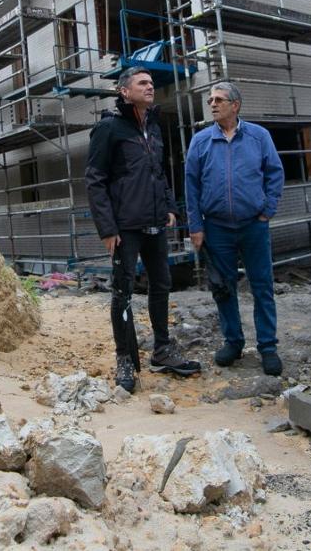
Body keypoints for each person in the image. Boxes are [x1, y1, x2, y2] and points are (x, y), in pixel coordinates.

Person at [85, 67, 201, 393]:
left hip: (155, 223)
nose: (150, 86)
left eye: (151, 83)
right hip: (125, 228)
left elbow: (158, 172)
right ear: (125, 91)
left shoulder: (153, 126)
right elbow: (95, 180)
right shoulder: (109, 128)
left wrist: (169, 207)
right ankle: (125, 357)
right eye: (142, 83)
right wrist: (107, 228)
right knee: (122, 292)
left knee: (161, 285)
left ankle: (162, 350)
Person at [184, 81, 286, 376]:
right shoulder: (201, 141)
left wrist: (268, 210)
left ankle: (268, 346)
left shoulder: (258, 136)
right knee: (223, 288)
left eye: (219, 99)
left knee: (262, 286)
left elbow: (274, 173)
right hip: (217, 227)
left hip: (254, 225)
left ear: (235, 105)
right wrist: (196, 225)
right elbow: (191, 185)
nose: (213, 104)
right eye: (211, 100)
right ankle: (233, 342)